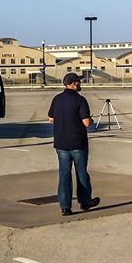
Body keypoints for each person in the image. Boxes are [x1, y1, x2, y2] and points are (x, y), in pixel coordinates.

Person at [48, 72, 100, 216]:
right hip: (78, 142)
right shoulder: (80, 100)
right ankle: (85, 201)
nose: (80, 84)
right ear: (74, 84)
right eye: (78, 82)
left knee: (64, 174)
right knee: (81, 173)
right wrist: (91, 121)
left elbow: (50, 118)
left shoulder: (56, 99)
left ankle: (65, 206)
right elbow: (86, 122)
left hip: (61, 143)